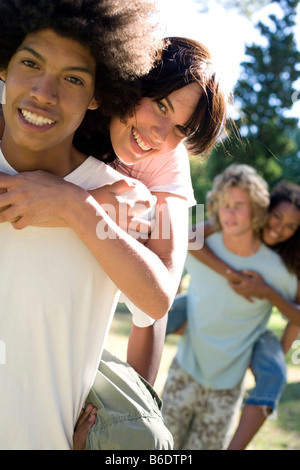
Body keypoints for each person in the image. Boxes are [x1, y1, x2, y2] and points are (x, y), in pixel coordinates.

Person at [0, 23, 228, 450]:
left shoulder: (167, 170)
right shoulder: (43, 95)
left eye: (182, 130)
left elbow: (157, 299)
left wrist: (121, 421)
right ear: (126, 79)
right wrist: (91, 200)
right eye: (160, 106)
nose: (161, 136)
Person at [161, 164, 299, 450]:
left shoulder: (283, 271)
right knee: (158, 449)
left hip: (227, 387)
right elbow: (187, 239)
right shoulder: (210, 239)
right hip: (184, 370)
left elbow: (294, 317)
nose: (280, 228)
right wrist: (230, 273)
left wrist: (270, 355)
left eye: (292, 226)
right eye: (225, 206)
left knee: (274, 372)